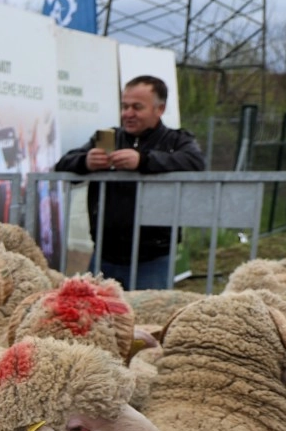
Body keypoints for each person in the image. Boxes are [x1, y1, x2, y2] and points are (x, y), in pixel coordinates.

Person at [54, 75, 206, 290]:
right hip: (104, 253)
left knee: (149, 320)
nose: (128, 114)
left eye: (137, 107)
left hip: (153, 256)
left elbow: (196, 162)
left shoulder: (176, 140)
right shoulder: (108, 137)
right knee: (98, 319)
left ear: (159, 109)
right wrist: (85, 161)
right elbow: (63, 164)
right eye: (124, 106)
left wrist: (144, 160)